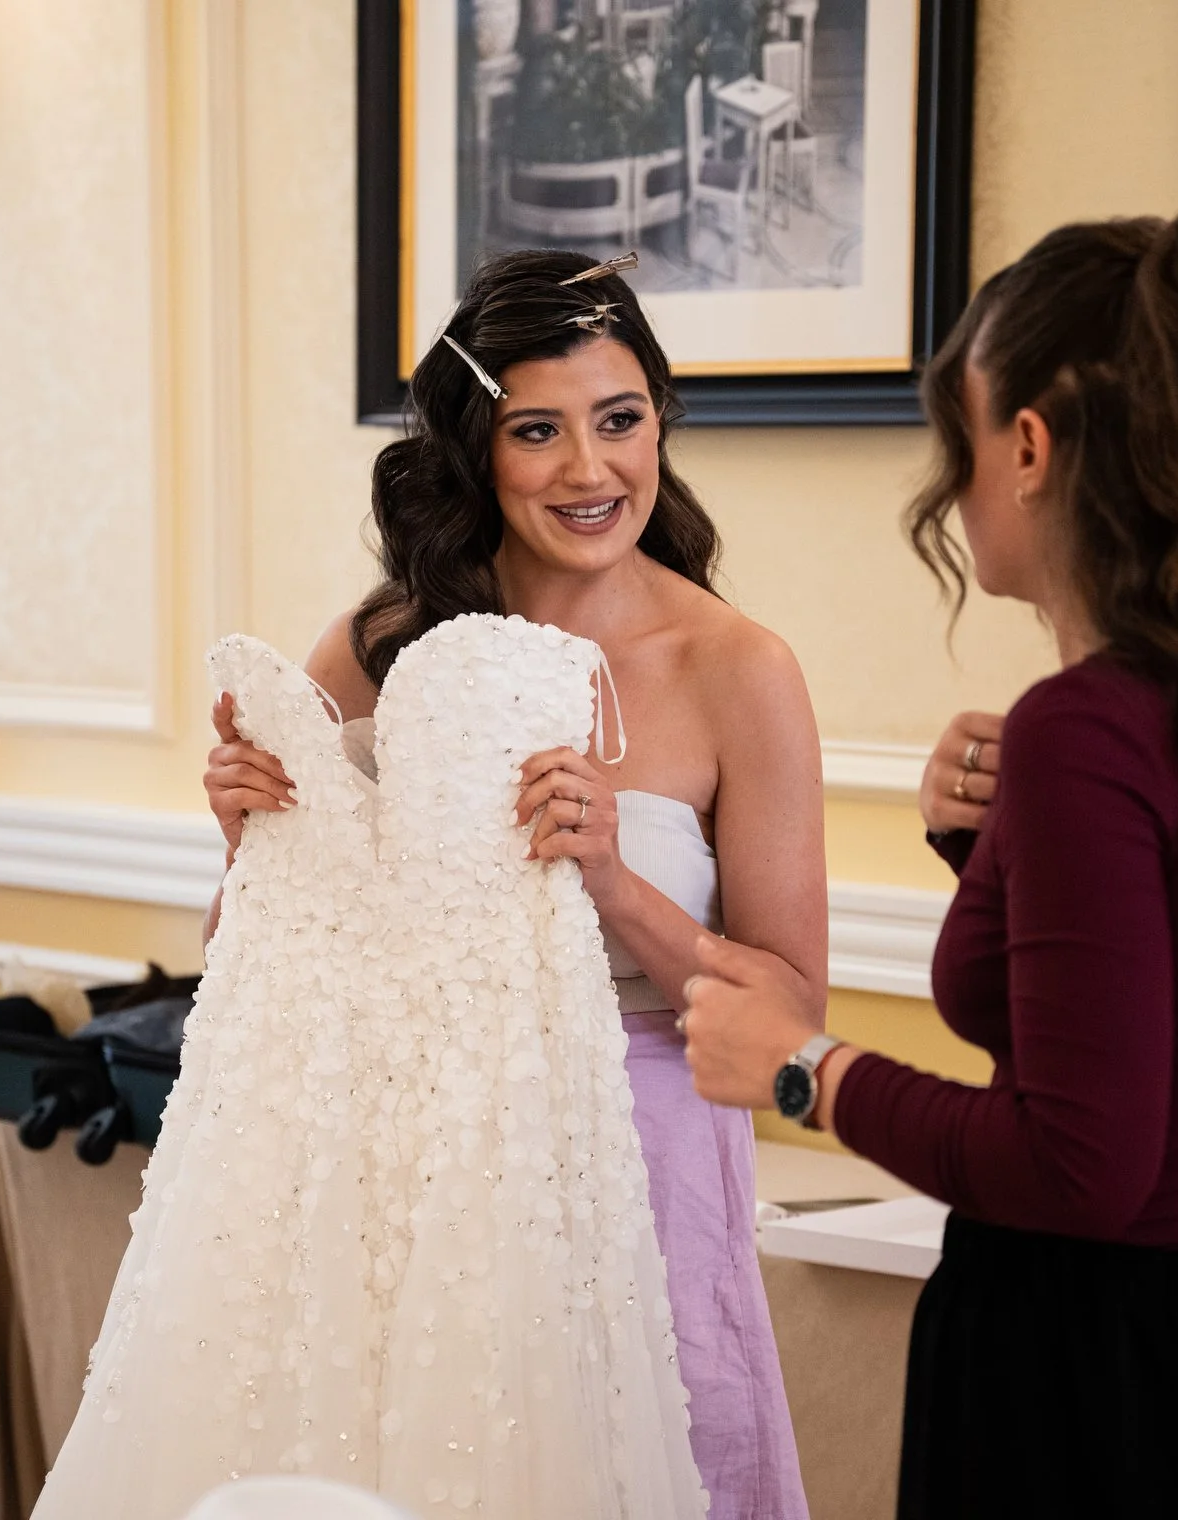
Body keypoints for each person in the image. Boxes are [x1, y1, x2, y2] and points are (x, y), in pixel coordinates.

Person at [679, 199, 1178, 1517]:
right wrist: (994, 855)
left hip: (1107, 1402)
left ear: (1025, 445)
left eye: (954, 444)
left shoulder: (1087, 729)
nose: (952, 496)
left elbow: (1083, 1163)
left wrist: (805, 1069)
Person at [204, 248, 823, 1519]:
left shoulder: (737, 668)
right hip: (417, 1163)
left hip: (645, 1159)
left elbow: (789, 1007)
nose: (591, 471)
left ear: (661, 419)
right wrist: (245, 836)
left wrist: (612, 880)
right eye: (538, 431)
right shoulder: (381, 648)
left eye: (620, 420)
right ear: (476, 447)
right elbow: (251, 957)